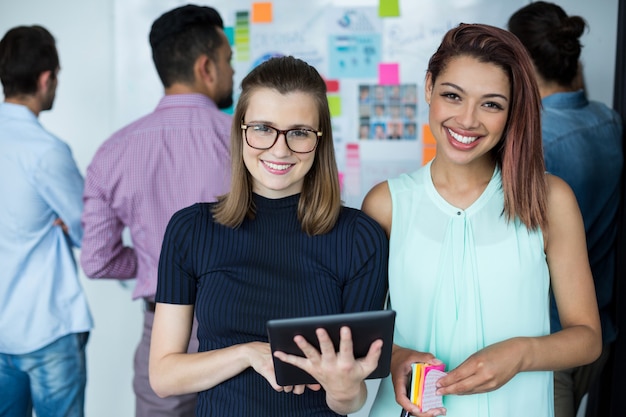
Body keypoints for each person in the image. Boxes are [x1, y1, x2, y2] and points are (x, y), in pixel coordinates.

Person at [363, 23, 602, 417]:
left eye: (491, 104)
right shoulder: (387, 203)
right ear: (428, 87)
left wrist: (522, 353)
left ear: (512, 111)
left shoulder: (549, 199)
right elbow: (363, 333)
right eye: (452, 96)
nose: (467, 120)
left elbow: (588, 337)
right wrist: (398, 356)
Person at [149, 56, 389, 417]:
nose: (280, 149)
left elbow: (351, 400)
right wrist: (249, 353)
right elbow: (164, 376)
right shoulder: (191, 229)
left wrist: (344, 390)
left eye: (299, 132)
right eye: (263, 128)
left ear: (319, 140)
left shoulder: (360, 238)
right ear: (241, 130)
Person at [79, 4, 234, 416]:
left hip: (160, 331)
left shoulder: (113, 152)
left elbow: (96, 260)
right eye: (228, 61)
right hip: (240, 328)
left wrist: (155, 261)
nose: (232, 72)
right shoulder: (247, 144)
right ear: (206, 67)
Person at [508, 3, 624, 417]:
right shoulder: (609, 121)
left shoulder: (529, 146)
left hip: (545, 341)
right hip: (597, 333)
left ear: (518, 62)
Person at [0, 25, 93, 416]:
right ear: (45, 78)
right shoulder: (46, 151)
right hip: (47, 326)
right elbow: (91, 230)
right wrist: (68, 224)